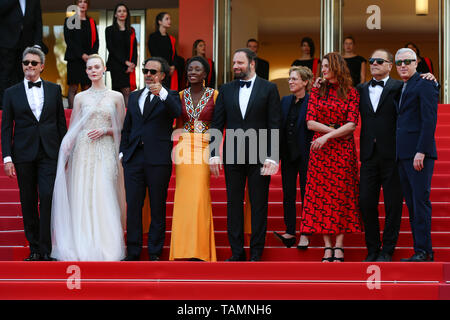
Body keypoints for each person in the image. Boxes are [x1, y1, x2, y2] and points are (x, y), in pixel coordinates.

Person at [50, 54, 125, 261]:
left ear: (104, 69)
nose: (93, 70)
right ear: (86, 72)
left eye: (96, 67)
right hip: (83, 149)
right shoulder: (80, 97)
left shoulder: (116, 96)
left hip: (105, 148)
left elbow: (122, 127)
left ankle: (106, 245)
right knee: (83, 193)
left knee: (103, 192)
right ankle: (83, 243)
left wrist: (106, 130)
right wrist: (66, 148)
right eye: (89, 68)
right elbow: (74, 126)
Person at [209, 48, 281, 262]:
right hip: (233, 155)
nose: (235, 66)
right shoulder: (226, 89)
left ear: (252, 64)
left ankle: (256, 253)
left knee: (259, 204)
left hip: (260, 156)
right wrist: (214, 153)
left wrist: (272, 156)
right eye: (234, 63)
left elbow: (274, 124)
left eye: (239, 63)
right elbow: (217, 123)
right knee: (233, 204)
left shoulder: (269, 88)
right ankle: (237, 252)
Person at [1, 46, 67, 261]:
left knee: (47, 197)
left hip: (49, 152)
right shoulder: (11, 93)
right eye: (26, 62)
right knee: (28, 200)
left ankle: (47, 250)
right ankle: (35, 249)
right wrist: (7, 157)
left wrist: (64, 153)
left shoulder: (54, 90)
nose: (29, 66)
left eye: (33, 63)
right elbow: (6, 127)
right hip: (23, 154)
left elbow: (60, 124)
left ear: (42, 66)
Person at [300, 52, 361, 262]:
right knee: (322, 198)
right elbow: (310, 122)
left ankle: (340, 245)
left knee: (343, 196)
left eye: (326, 66)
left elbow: (352, 124)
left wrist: (327, 136)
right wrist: (333, 132)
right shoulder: (317, 90)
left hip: (342, 151)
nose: (323, 69)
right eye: (322, 66)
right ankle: (327, 245)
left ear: (336, 66)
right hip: (321, 152)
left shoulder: (351, 92)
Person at [120, 57, 181, 261]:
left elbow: (177, 112)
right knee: (134, 206)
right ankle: (134, 251)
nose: (148, 74)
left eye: (153, 71)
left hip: (158, 159)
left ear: (162, 75)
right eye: (145, 71)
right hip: (134, 158)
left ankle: (155, 251)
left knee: (157, 206)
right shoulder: (135, 95)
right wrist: (123, 152)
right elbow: (127, 127)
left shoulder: (170, 95)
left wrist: (161, 93)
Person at [357, 49, 404, 262]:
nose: (374, 63)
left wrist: (432, 79)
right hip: (368, 154)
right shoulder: (360, 89)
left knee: (393, 204)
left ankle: (388, 250)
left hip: (392, 153)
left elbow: (419, 89)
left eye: (379, 61)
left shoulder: (399, 86)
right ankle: (373, 249)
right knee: (366, 202)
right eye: (371, 60)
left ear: (390, 65)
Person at [169, 56, 218, 262]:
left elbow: (218, 123)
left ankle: (200, 250)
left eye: (197, 69)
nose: (192, 72)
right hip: (184, 146)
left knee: (199, 197)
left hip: (205, 145)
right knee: (182, 198)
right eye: (189, 69)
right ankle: (181, 251)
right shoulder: (179, 95)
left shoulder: (215, 95)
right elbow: (177, 123)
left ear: (205, 74)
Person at [395, 48, 438, 262]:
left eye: (407, 62)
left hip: (418, 154)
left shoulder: (426, 83)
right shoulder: (400, 87)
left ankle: (425, 251)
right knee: (412, 204)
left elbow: (429, 120)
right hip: (402, 155)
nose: (403, 65)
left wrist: (421, 150)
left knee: (420, 202)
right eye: (399, 62)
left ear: (416, 63)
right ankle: (419, 249)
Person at [273, 66, 313, 249]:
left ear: (305, 82)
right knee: (288, 193)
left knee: (307, 194)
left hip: (307, 154)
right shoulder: (285, 100)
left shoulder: (313, 100)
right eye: (289, 79)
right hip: (287, 154)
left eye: (294, 79)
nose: (290, 82)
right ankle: (290, 230)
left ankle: (305, 233)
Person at [0, 0, 47, 109]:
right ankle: (4, 106)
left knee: (25, 75)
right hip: (6, 44)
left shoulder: (33, 1)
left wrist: (37, 44)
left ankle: (23, 106)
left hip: (26, 45)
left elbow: (38, 22)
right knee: (5, 76)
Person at [64, 0, 99, 109]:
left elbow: (96, 41)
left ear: (88, 5)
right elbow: (69, 40)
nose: (83, 4)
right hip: (74, 59)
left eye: (85, 2)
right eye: (80, 1)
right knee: (73, 87)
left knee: (87, 87)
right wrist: (81, 55)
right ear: (76, 4)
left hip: (88, 60)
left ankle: (86, 114)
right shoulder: (70, 20)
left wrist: (91, 56)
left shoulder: (91, 22)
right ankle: (71, 115)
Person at [105, 3, 138, 107]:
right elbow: (111, 48)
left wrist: (133, 64)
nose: (122, 13)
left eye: (124, 11)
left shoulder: (131, 30)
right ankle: (117, 117)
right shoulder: (109, 30)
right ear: (115, 15)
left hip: (129, 67)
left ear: (127, 14)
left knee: (127, 91)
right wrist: (125, 62)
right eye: (119, 11)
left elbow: (134, 49)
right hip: (116, 65)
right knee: (117, 93)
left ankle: (127, 118)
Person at [148, 12, 184, 91]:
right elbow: (155, 54)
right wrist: (166, 67)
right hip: (159, 70)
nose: (169, 21)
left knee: (169, 92)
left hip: (170, 71)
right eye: (167, 19)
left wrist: (173, 66)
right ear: (160, 22)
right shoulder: (153, 37)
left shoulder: (170, 38)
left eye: (170, 19)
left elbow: (174, 54)